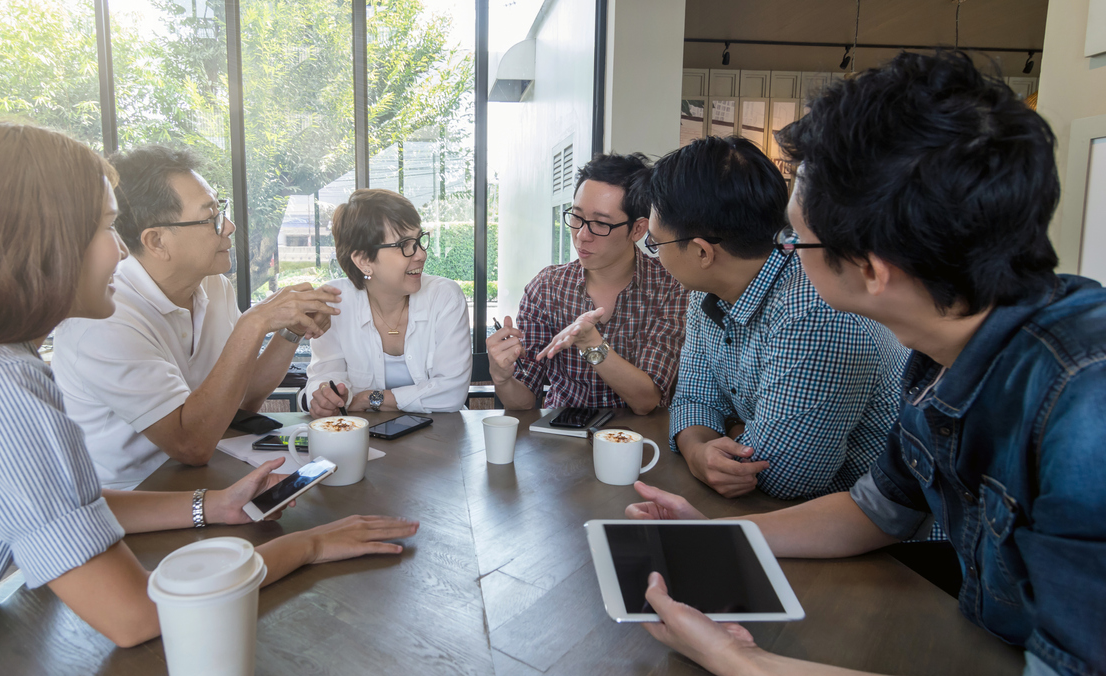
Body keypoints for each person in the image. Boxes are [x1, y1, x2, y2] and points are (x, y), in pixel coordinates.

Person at [0, 121, 418, 676]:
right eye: (101, 228)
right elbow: (137, 617)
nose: (118, 251)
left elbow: (61, 508)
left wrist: (211, 507)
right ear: (33, 241)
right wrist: (306, 546)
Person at [627, 52, 1106, 676]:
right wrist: (719, 535)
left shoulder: (1085, 406)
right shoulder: (945, 353)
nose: (784, 249)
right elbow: (874, 510)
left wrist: (748, 664)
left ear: (872, 270)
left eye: (798, 236)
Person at [53, 145, 341, 489]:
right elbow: (190, 445)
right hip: (132, 503)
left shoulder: (214, 286)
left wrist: (290, 332)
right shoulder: (105, 317)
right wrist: (254, 323)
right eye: (211, 218)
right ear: (157, 241)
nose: (229, 227)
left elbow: (241, 401)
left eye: (222, 211)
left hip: (207, 482)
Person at [644, 137, 905, 500]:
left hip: (890, 541)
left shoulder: (812, 309)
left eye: (656, 243)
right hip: (796, 518)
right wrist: (699, 450)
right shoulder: (706, 292)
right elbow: (692, 398)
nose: (655, 255)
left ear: (703, 252)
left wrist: (732, 432)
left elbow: (785, 475)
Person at [486, 153, 691, 414]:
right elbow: (525, 399)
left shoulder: (670, 288)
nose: (582, 236)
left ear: (638, 229)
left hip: (640, 443)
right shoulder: (547, 288)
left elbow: (646, 400)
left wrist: (591, 344)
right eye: (577, 217)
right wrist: (502, 377)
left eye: (600, 224)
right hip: (561, 439)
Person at [306, 189, 471, 416]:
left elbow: (451, 394)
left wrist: (369, 398)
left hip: (441, 438)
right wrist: (326, 395)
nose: (421, 254)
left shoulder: (444, 297)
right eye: (405, 244)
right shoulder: (335, 303)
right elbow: (323, 377)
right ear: (364, 260)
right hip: (362, 438)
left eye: (419, 240)